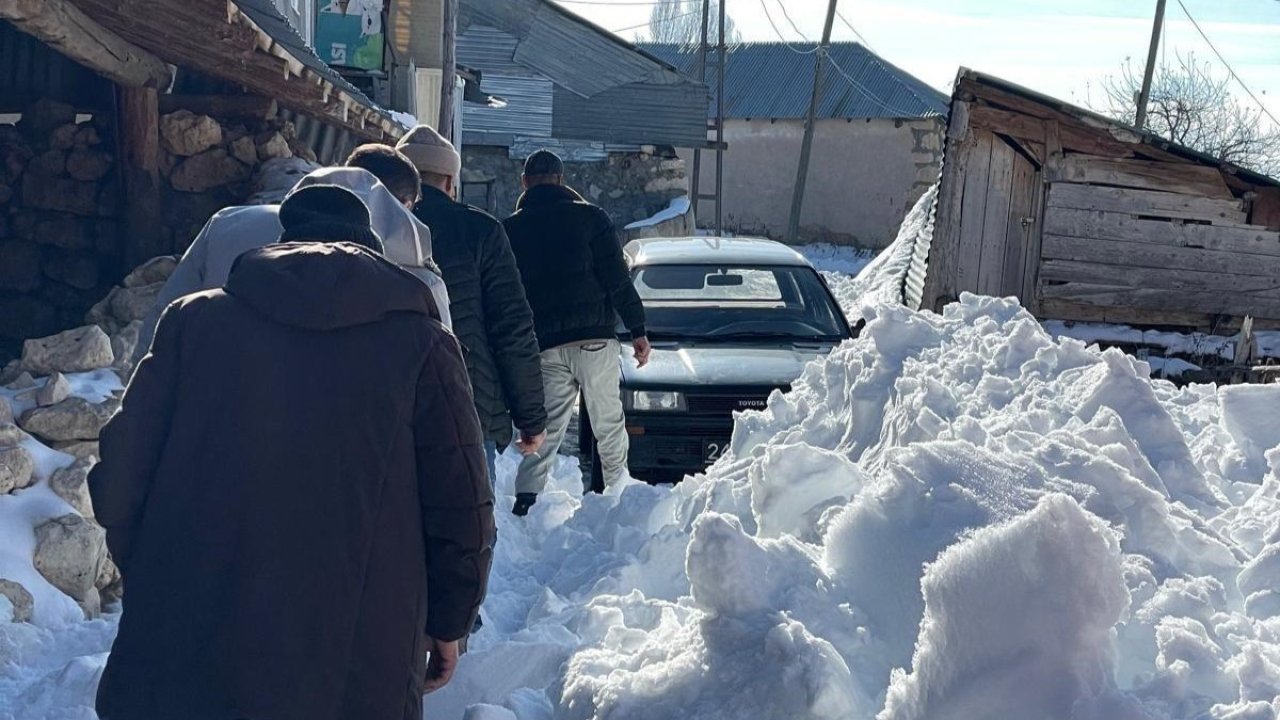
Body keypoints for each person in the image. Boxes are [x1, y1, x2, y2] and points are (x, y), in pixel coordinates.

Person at [89, 185, 494, 720]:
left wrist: (159, 575)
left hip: (190, 651)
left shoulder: (193, 323)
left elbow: (118, 481)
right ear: (373, 251)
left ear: (280, 242)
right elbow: (463, 507)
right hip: (353, 667)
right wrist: (449, 623)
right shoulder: (424, 346)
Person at [132, 145, 449, 365]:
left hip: (222, 431)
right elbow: (444, 393)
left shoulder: (230, 226)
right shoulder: (418, 276)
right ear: (406, 204)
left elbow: (160, 332)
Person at [502, 150, 650, 516]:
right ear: (562, 179)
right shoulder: (591, 218)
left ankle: (526, 502)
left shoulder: (510, 230)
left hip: (545, 346)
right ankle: (618, 500)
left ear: (525, 183)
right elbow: (617, 279)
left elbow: (505, 295)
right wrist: (638, 329)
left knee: (546, 428)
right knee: (608, 425)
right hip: (595, 340)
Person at [397, 125, 546, 482]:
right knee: (470, 528)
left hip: (388, 411)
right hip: (467, 410)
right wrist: (531, 417)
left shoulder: (368, 227)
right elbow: (512, 328)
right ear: (450, 180)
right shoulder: (480, 231)